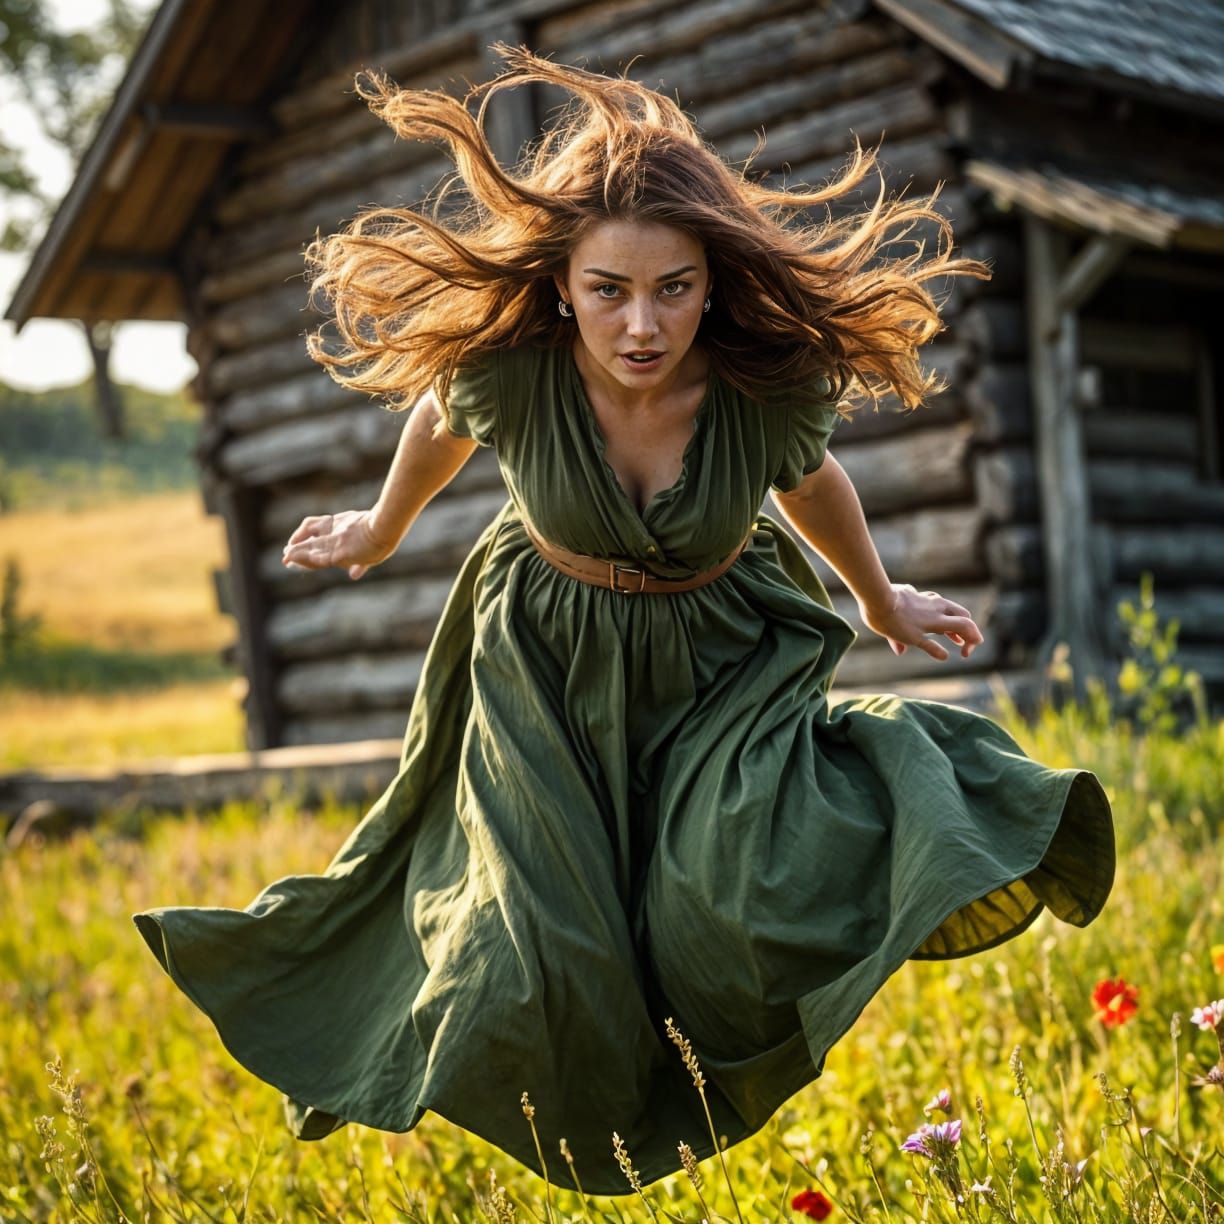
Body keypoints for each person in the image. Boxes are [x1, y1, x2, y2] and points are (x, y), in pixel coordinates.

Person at [133, 46, 1116, 1198]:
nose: (642, 325)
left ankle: (890, 833)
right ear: (563, 287)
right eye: (609, 290)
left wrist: (877, 599)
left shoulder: (763, 389)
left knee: (730, 903)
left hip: (722, 660)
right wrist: (380, 530)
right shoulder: (513, 372)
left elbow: (814, 488)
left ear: (714, 280)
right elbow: (437, 424)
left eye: (674, 289)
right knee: (544, 953)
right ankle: (587, 1143)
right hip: (543, 665)